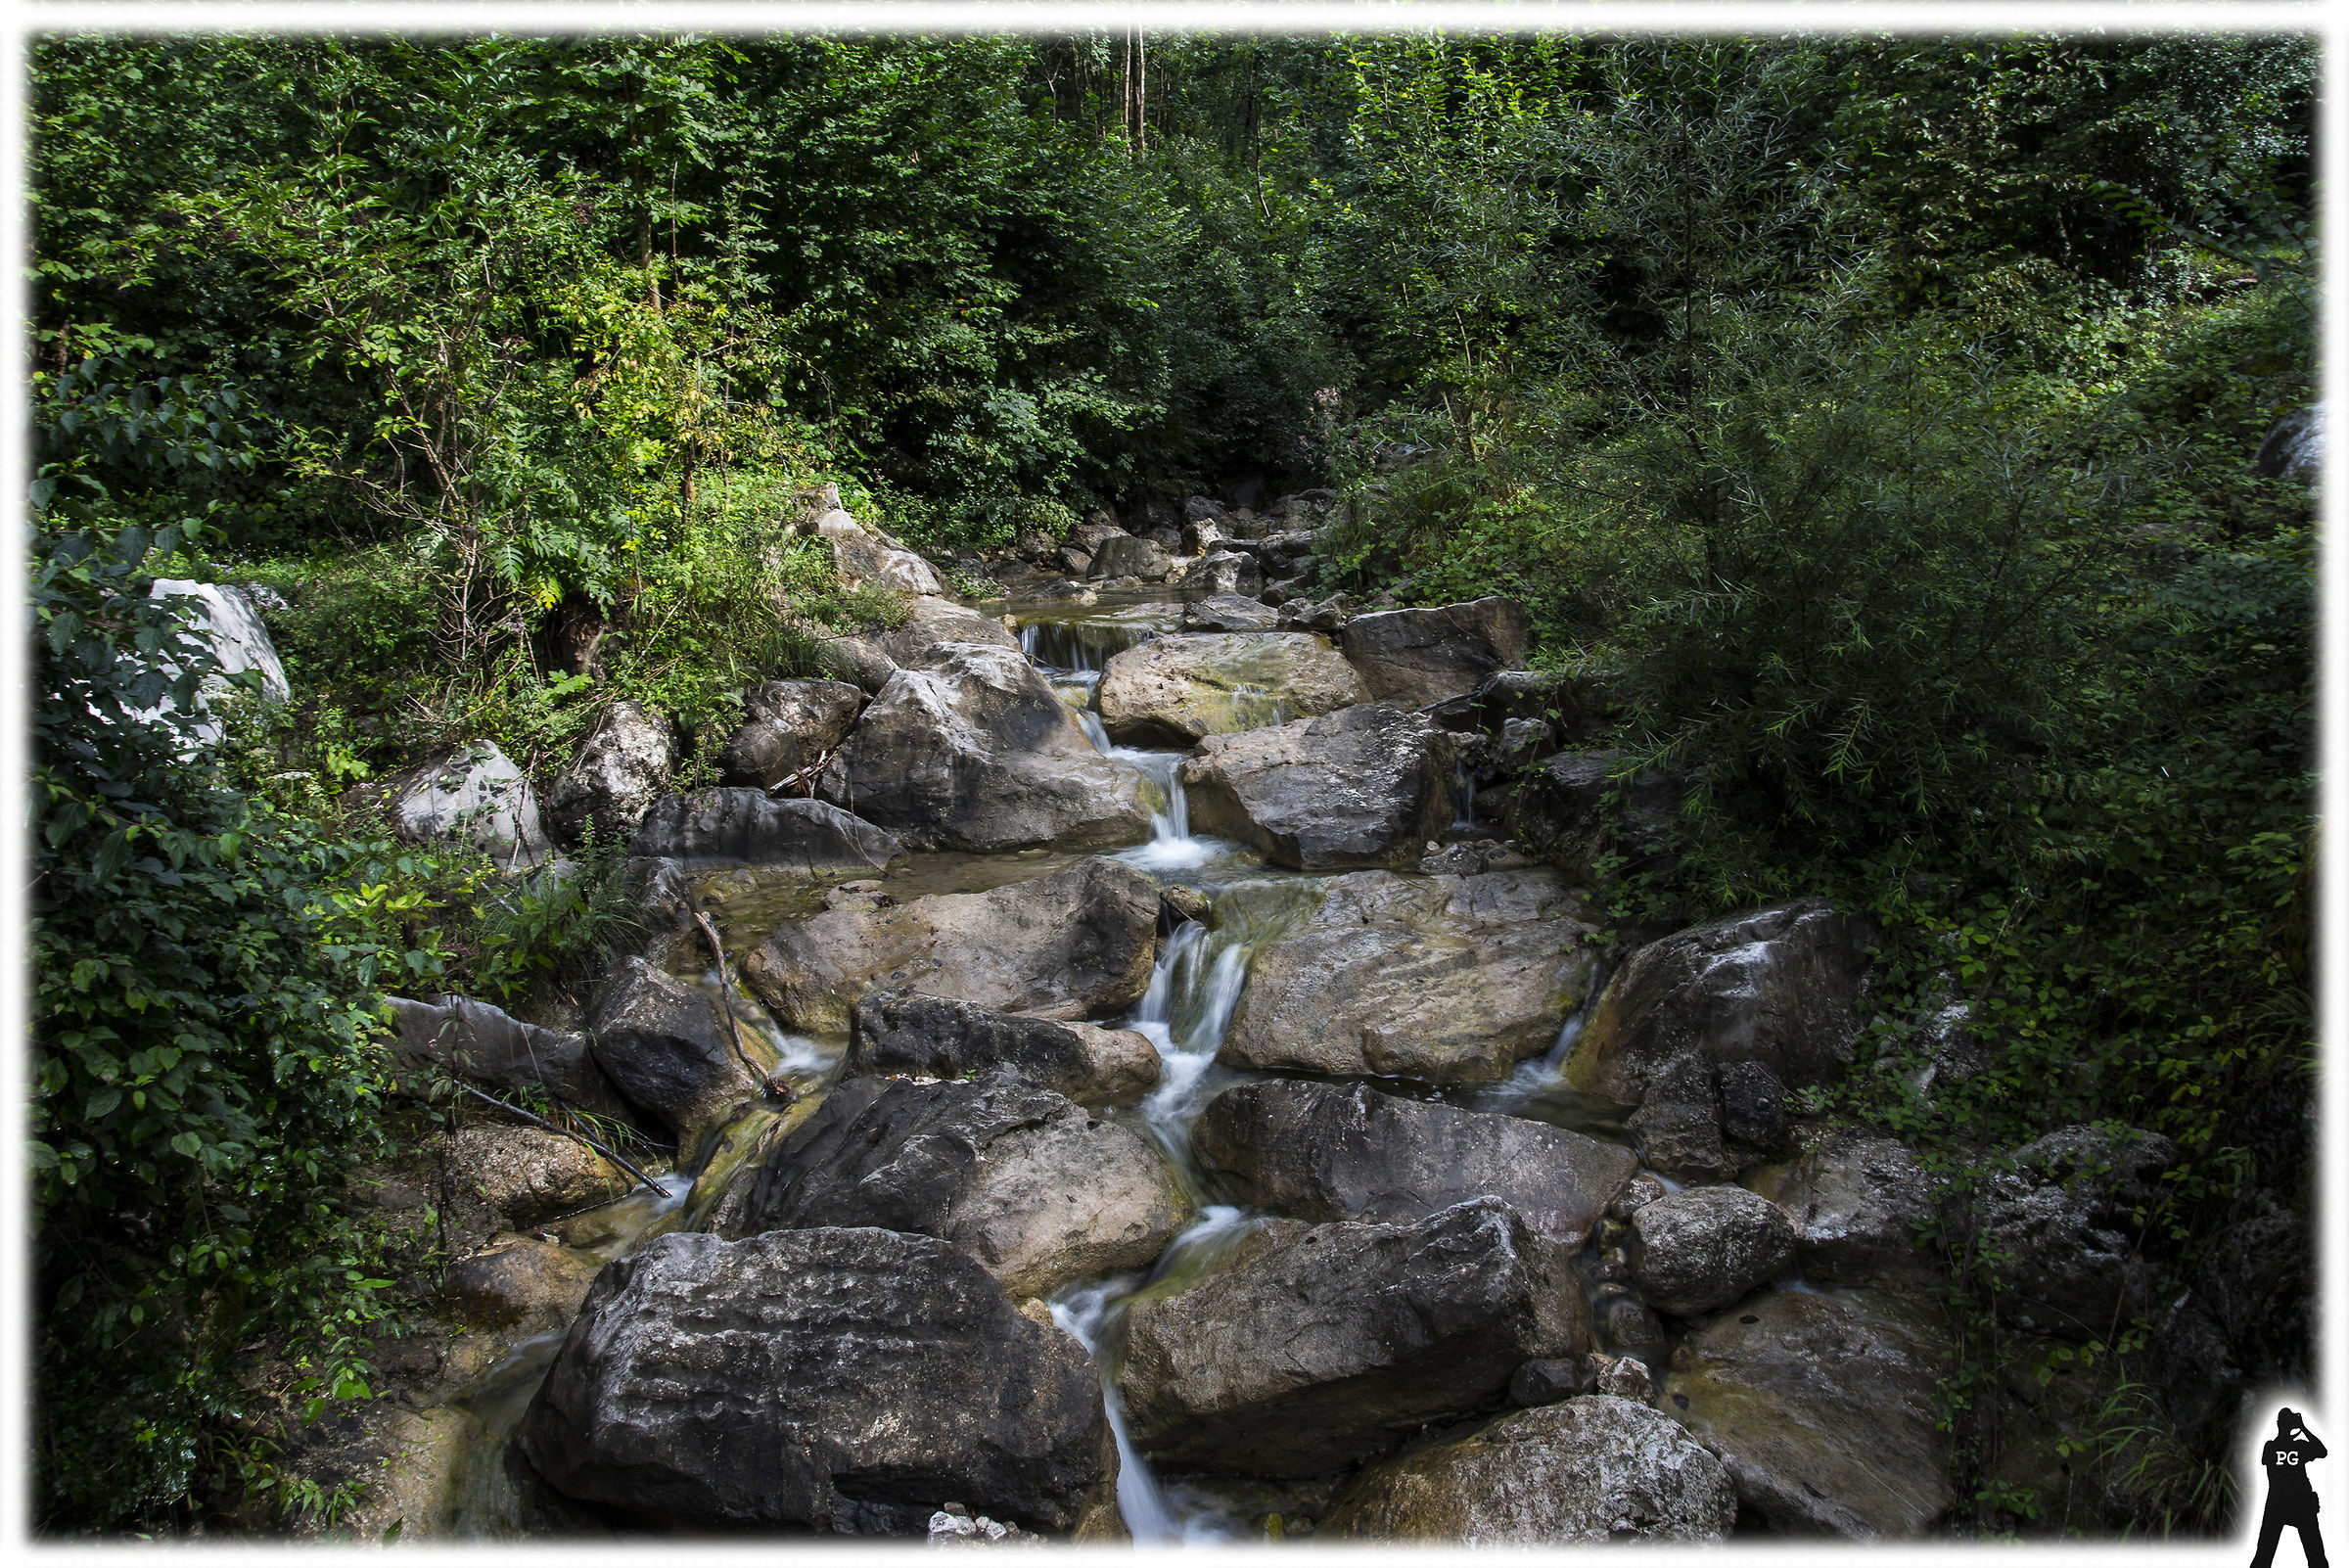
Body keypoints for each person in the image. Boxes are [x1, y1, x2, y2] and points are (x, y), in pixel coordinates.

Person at [2252, 1407, 2328, 1568]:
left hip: (2278, 1504)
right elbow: (2321, 1451)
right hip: (2300, 1504)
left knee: (2263, 1558)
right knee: (2317, 1558)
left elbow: (2322, 1452)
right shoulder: (2300, 1447)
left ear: (2279, 1424)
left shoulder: (2270, 1447)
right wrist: (2303, 1428)